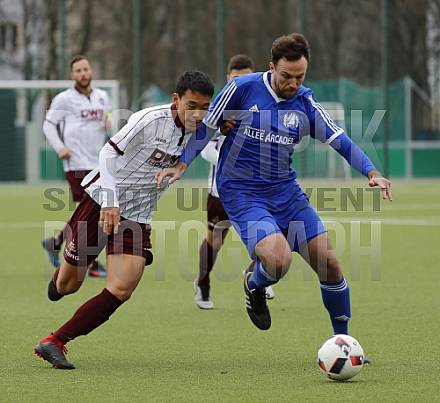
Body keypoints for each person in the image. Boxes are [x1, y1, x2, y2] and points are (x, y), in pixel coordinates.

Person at [157, 33, 392, 335]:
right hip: (242, 192)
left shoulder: (305, 103)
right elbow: (207, 127)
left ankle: (343, 342)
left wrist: (371, 171)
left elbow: (340, 141)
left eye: (300, 76)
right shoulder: (242, 88)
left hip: (285, 192)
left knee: (330, 264)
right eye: (286, 76)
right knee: (279, 260)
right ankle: (254, 283)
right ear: (271, 67)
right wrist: (182, 164)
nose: (293, 83)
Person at [34, 70, 215, 369]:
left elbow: (226, 123)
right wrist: (110, 202)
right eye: (191, 105)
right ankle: (61, 273)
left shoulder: (206, 124)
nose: (198, 114)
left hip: (138, 215)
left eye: (204, 107)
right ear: (176, 99)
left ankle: (55, 341)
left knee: (122, 287)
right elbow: (108, 152)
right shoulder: (149, 119)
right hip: (101, 202)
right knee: (67, 286)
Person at [195, 54, 274, 310]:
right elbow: (204, 146)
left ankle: (257, 276)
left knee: (266, 237)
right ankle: (203, 284)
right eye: (236, 78)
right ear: (228, 77)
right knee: (215, 241)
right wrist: (230, 162)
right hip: (220, 192)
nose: (240, 83)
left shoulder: (261, 108)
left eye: (246, 78)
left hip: (252, 192)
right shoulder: (218, 107)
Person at [41, 55, 110, 277]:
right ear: (72, 75)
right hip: (76, 163)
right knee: (89, 212)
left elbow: (105, 122)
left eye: (85, 69)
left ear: (91, 71)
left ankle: (57, 242)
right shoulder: (64, 99)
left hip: (97, 163)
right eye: (78, 71)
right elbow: (48, 125)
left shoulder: (102, 97)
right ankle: (89, 261)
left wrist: (108, 123)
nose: (83, 74)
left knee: (87, 211)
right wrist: (60, 147)